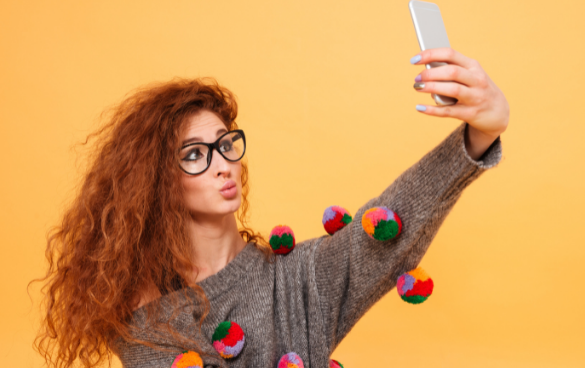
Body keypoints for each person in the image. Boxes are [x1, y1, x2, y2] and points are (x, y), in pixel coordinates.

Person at [34, 48, 509, 368]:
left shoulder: (300, 279)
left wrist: (478, 134)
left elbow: (387, 224)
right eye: (195, 154)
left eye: (226, 145)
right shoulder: (147, 318)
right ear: (156, 182)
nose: (223, 166)